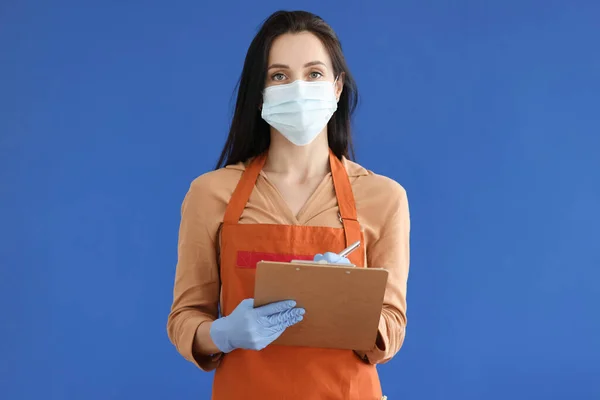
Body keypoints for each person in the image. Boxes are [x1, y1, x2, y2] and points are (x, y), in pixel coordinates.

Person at [167, 10, 410, 400]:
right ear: (260, 91)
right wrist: (224, 333)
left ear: (337, 87)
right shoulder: (210, 194)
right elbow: (184, 318)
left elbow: (392, 331)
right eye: (279, 75)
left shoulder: (383, 197)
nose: (298, 88)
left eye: (314, 73)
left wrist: (350, 303)